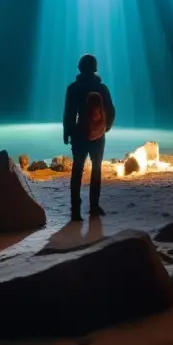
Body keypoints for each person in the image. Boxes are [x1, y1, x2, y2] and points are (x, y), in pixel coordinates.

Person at [63, 53, 115, 221]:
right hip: (98, 135)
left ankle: (76, 211)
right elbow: (110, 110)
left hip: (79, 134)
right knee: (96, 169)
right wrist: (105, 128)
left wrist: (67, 132)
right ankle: (94, 207)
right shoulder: (102, 88)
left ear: (80, 67)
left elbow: (69, 113)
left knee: (77, 171)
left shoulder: (73, 88)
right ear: (95, 68)